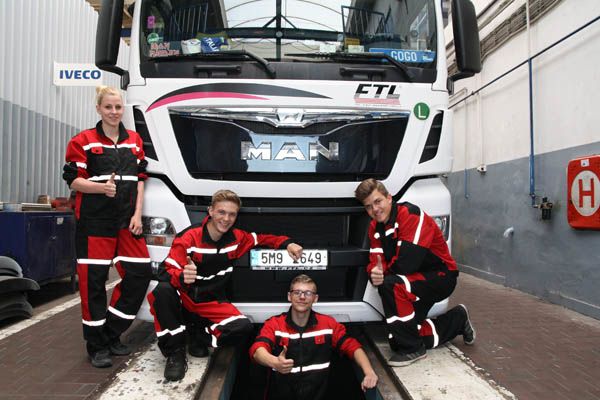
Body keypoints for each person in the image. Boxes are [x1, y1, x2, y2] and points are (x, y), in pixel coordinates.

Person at [148, 189, 304, 381]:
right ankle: (175, 353)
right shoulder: (190, 237)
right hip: (185, 298)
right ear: (210, 211)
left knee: (243, 327)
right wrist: (181, 276)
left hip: (210, 302)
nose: (226, 219)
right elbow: (165, 270)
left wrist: (287, 243)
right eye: (221, 212)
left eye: (232, 214)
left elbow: (262, 238)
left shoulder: (237, 238)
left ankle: (198, 336)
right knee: (162, 291)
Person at [62, 86, 152, 368]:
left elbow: (140, 179)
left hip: (126, 222)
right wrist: (101, 188)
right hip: (94, 223)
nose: (114, 112)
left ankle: (111, 333)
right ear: (99, 109)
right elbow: (74, 180)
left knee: (140, 273)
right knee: (94, 284)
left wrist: (137, 214)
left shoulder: (134, 140)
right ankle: (96, 345)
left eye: (118, 107)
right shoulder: (83, 141)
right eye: (108, 107)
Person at [354, 179, 475, 367]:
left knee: (390, 285)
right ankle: (458, 319)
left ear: (389, 198)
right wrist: (374, 273)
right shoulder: (374, 227)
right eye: (369, 207)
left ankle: (413, 350)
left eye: (378, 202)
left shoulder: (411, 215)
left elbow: (406, 264)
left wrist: (383, 275)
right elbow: (376, 261)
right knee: (398, 339)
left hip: (440, 277)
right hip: (411, 282)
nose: (375, 209)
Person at [250, 274, 378, 399]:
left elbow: (352, 347)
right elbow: (257, 350)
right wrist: (274, 362)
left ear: (315, 298)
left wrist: (369, 372)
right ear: (289, 296)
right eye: (297, 292)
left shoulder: (328, 324)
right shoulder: (275, 323)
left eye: (308, 293)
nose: (302, 297)